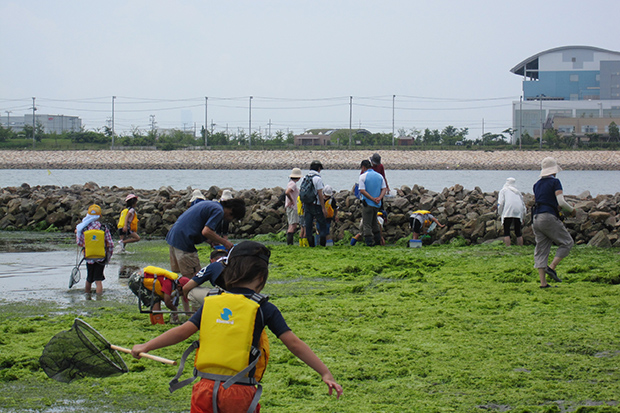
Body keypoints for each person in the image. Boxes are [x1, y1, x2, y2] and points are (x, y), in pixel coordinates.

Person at [131, 241, 343, 412]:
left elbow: (181, 331)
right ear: (261, 277)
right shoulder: (264, 308)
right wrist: (325, 373)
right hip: (239, 391)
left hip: (204, 388)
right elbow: (294, 344)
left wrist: (146, 345)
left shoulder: (211, 302)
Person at [166, 198, 246, 279]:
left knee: (182, 278)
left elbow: (198, 227)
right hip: (184, 241)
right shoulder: (219, 211)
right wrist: (225, 243)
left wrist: (211, 241)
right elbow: (206, 231)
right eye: (233, 218)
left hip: (173, 238)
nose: (230, 220)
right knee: (194, 278)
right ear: (231, 211)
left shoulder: (211, 204)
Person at [532, 157, 576, 288]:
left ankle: (543, 283)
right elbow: (561, 202)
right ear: (554, 170)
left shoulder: (536, 184)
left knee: (541, 249)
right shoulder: (555, 182)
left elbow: (542, 200)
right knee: (567, 242)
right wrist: (572, 210)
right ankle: (552, 267)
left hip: (535, 218)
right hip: (548, 217)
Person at [75, 204, 114, 295]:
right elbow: (110, 244)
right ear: (100, 216)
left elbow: (80, 243)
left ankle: (87, 296)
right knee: (98, 280)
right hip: (101, 257)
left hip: (89, 258)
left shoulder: (84, 228)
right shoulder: (103, 228)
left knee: (89, 279)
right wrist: (108, 257)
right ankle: (99, 299)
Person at [358, 159, 387, 246]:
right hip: (377, 204)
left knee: (367, 224)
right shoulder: (379, 176)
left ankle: (369, 243)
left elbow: (362, 190)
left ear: (363, 167)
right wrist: (379, 198)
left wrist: (372, 198)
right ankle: (378, 241)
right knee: (374, 222)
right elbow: (384, 189)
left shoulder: (363, 176)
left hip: (367, 204)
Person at [301, 160, 328, 247]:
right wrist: (323, 208)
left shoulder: (305, 177)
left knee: (308, 226)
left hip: (307, 204)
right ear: (319, 168)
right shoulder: (318, 179)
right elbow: (320, 194)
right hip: (316, 205)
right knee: (322, 224)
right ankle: (322, 244)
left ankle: (311, 245)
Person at [497, 177, 526, 246]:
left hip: (508, 211)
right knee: (518, 231)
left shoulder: (503, 190)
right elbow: (523, 205)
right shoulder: (517, 192)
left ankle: (508, 246)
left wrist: (500, 213)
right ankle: (520, 246)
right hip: (518, 211)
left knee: (506, 230)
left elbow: (500, 203)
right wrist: (523, 216)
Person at [285, 168, 302, 245]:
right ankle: (290, 243)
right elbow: (287, 192)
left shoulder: (290, 183)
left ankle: (290, 243)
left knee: (291, 224)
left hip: (290, 207)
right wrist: (292, 200)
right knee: (293, 225)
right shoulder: (293, 184)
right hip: (293, 207)